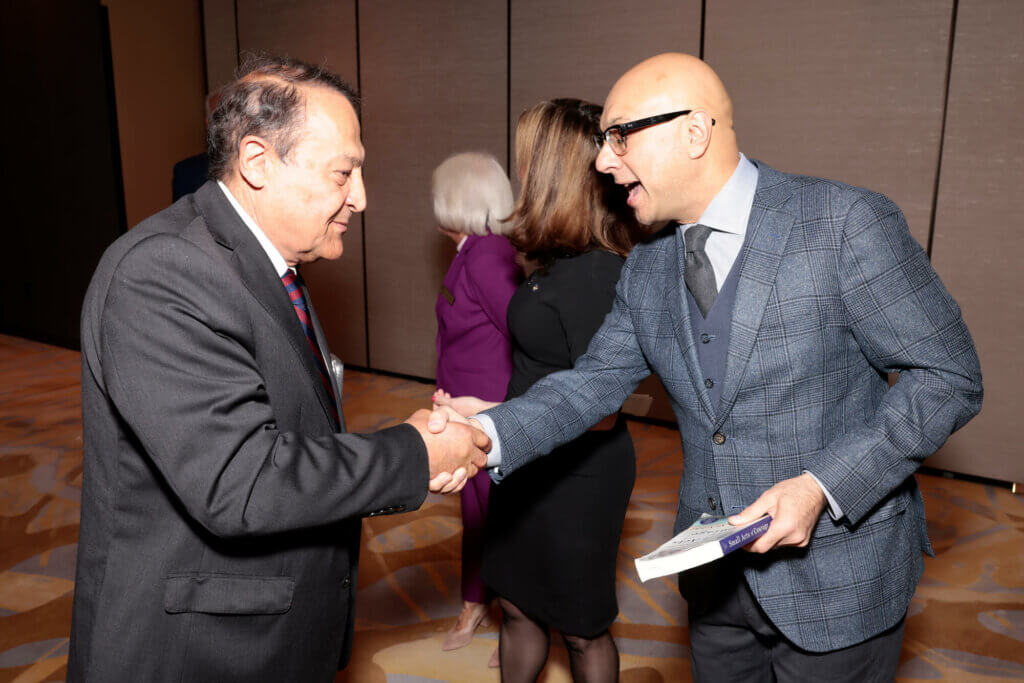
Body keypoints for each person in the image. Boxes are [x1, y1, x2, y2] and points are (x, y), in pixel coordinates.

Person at [454, 54, 983, 682]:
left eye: (620, 136)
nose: (602, 162)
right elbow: (589, 385)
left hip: (839, 582)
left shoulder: (843, 223)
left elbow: (948, 376)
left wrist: (821, 487)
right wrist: (484, 435)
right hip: (714, 581)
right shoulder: (647, 265)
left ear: (694, 132)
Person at [68, 55, 488, 683]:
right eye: (343, 172)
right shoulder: (162, 272)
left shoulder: (262, 261)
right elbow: (242, 482)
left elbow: (288, 429)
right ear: (258, 162)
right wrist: (414, 453)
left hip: (267, 622)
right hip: (195, 648)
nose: (362, 197)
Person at [436, 98, 640, 683]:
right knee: (519, 605)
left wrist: (494, 415)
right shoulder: (558, 259)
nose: (518, 173)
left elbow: (600, 409)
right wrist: (487, 409)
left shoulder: (599, 272)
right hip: (526, 460)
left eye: (526, 160)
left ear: (552, 173)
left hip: (578, 476)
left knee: (581, 628)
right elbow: (542, 372)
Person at [430, 152, 521, 654]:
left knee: (501, 517)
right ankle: (477, 600)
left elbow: (526, 334)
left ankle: (518, 619)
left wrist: (495, 405)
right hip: (464, 409)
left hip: (491, 411)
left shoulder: (488, 255)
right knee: (475, 510)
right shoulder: (471, 250)